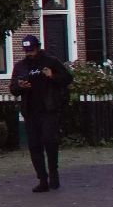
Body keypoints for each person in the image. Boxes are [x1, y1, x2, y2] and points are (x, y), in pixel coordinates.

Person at [9, 34, 69, 191]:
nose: (29, 53)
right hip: (30, 111)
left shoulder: (50, 61)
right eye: (27, 50)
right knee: (34, 146)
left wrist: (52, 76)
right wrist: (20, 86)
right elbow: (13, 88)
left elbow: (67, 78)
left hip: (48, 109)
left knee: (50, 141)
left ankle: (54, 173)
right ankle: (42, 179)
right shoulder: (21, 66)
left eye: (32, 50)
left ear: (38, 47)